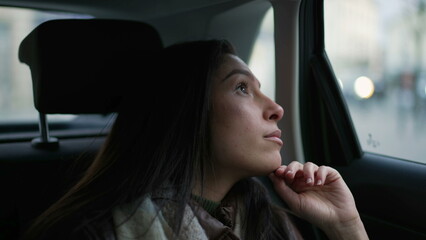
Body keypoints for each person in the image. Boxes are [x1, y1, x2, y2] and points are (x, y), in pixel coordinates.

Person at [23, 40, 368, 240]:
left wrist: (345, 226)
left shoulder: (268, 222)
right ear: (187, 111)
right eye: (242, 88)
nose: (276, 108)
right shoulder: (94, 234)